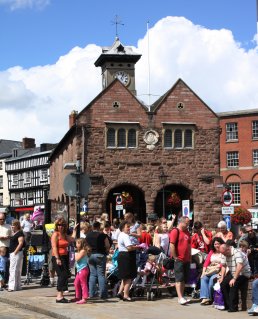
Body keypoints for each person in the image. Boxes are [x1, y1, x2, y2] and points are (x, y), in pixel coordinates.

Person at [51, 217, 77, 303]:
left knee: (66, 275)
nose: (60, 226)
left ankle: (61, 295)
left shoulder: (64, 235)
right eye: (58, 225)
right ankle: (59, 296)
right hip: (58, 257)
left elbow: (72, 239)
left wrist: (75, 230)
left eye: (62, 225)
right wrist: (57, 258)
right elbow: (54, 247)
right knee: (62, 275)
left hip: (65, 256)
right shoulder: (56, 234)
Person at [219, 242, 251, 312]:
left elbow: (240, 266)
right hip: (233, 272)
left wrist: (234, 278)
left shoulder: (237, 252)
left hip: (244, 273)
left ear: (228, 249)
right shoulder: (224, 253)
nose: (223, 255)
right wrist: (222, 277)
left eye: (224, 253)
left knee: (233, 284)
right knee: (223, 284)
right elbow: (224, 266)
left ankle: (233, 307)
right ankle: (227, 305)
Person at [116, 220, 141, 301]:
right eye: (127, 227)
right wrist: (138, 247)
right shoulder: (125, 236)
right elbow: (129, 247)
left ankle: (120, 292)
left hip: (122, 255)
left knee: (124, 277)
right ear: (123, 228)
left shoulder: (120, 235)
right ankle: (126, 295)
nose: (129, 228)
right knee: (129, 277)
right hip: (127, 256)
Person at [169, 216, 191, 305]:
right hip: (179, 259)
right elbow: (172, 245)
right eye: (186, 223)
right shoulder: (175, 231)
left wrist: (190, 257)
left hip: (186, 259)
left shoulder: (187, 232)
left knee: (183, 279)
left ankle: (181, 296)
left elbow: (189, 245)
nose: (188, 224)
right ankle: (180, 297)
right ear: (181, 222)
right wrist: (175, 257)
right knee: (179, 279)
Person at [86, 221, 110, 299]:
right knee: (101, 275)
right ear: (99, 227)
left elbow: (86, 245)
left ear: (92, 227)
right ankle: (103, 294)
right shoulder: (103, 235)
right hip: (100, 255)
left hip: (90, 256)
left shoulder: (88, 235)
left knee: (92, 275)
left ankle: (92, 293)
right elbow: (107, 245)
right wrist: (107, 251)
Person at [199, 237, 224, 305]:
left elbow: (225, 263)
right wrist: (203, 273)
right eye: (215, 244)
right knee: (204, 278)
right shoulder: (211, 252)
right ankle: (205, 297)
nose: (216, 245)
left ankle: (211, 298)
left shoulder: (223, 252)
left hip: (219, 271)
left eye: (218, 244)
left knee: (212, 280)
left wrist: (219, 266)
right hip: (211, 270)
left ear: (221, 244)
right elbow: (206, 263)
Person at [71, 238, 91, 304]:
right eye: (76, 243)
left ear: (82, 244)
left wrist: (74, 254)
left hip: (83, 269)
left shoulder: (83, 251)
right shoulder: (79, 251)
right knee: (76, 283)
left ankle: (84, 298)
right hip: (79, 270)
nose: (76, 244)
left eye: (78, 243)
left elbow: (77, 259)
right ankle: (78, 296)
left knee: (83, 283)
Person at [8, 219, 25, 291]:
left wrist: (15, 252)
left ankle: (12, 287)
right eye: (11, 225)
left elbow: (20, 243)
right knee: (16, 269)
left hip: (16, 253)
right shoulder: (14, 233)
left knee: (13, 269)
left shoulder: (20, 233)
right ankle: (17, 286)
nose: (12, 227)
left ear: (17, 226)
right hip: (14, 253)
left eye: (13, 225)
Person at [0, 213, 11, 285]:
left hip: (6, 247)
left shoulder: (8, 226)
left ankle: (4, 282)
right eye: (0, 219)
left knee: (5, 266)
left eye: (3, 219)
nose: (2, 220)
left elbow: (12, 235)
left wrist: (8, 237)